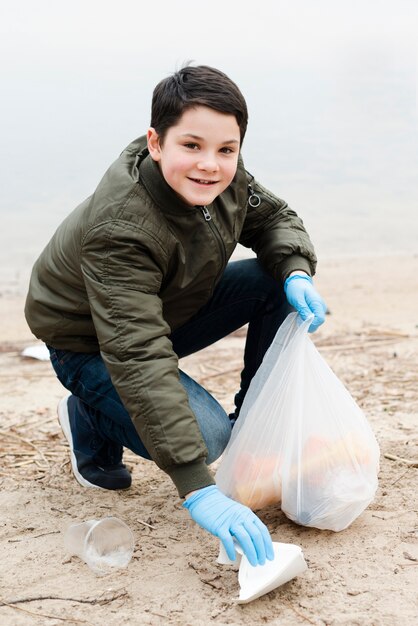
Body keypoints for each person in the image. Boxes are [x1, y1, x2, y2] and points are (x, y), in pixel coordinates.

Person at [25, 64, 327, 568]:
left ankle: (255, 434)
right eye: (192, 146)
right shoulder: (121, 229)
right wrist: (197, 486)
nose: (210, 165)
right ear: (156, 141)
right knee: (207, 438)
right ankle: (89, 412)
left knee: (275, 280)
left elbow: (273, 217)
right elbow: (137, 351)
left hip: (166, 306)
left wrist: (295, 270)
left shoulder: (220, 178)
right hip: (90, 340)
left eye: (225, 149)